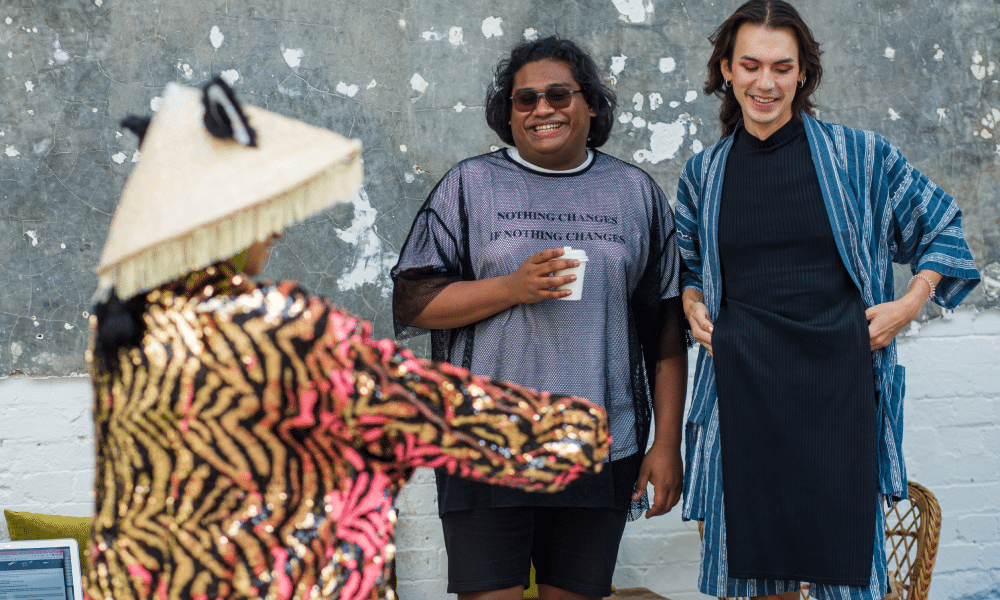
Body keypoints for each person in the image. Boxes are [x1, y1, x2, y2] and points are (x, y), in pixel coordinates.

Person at [85, 78, 611, 600]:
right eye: (262, 212)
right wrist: (584, 433)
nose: (276, 230)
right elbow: (434, 412)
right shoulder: (283, 329)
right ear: (223, 223)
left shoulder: (122, 329)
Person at [675, 2, 981, 599]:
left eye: (782, 67)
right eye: (751, 65)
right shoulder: (703, 174)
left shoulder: (861, 158)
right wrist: (691, 301)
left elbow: (942, 224)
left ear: (803, 73)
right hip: (745, 397)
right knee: (760, 578)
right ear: (727, 70)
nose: (766, 83)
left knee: (847, 574)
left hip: (840, 393)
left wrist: (910, 303)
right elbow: (689, 266)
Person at [391, 36, 688, 600]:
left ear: (591, 105)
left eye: (559, 95)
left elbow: (666, 337)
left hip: (600, 444)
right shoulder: (469, 186)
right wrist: (511, 287)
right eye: (525, 99)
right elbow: (413, 301)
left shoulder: (634, 193)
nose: (542, 109)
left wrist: (666, 444)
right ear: (508, 114)